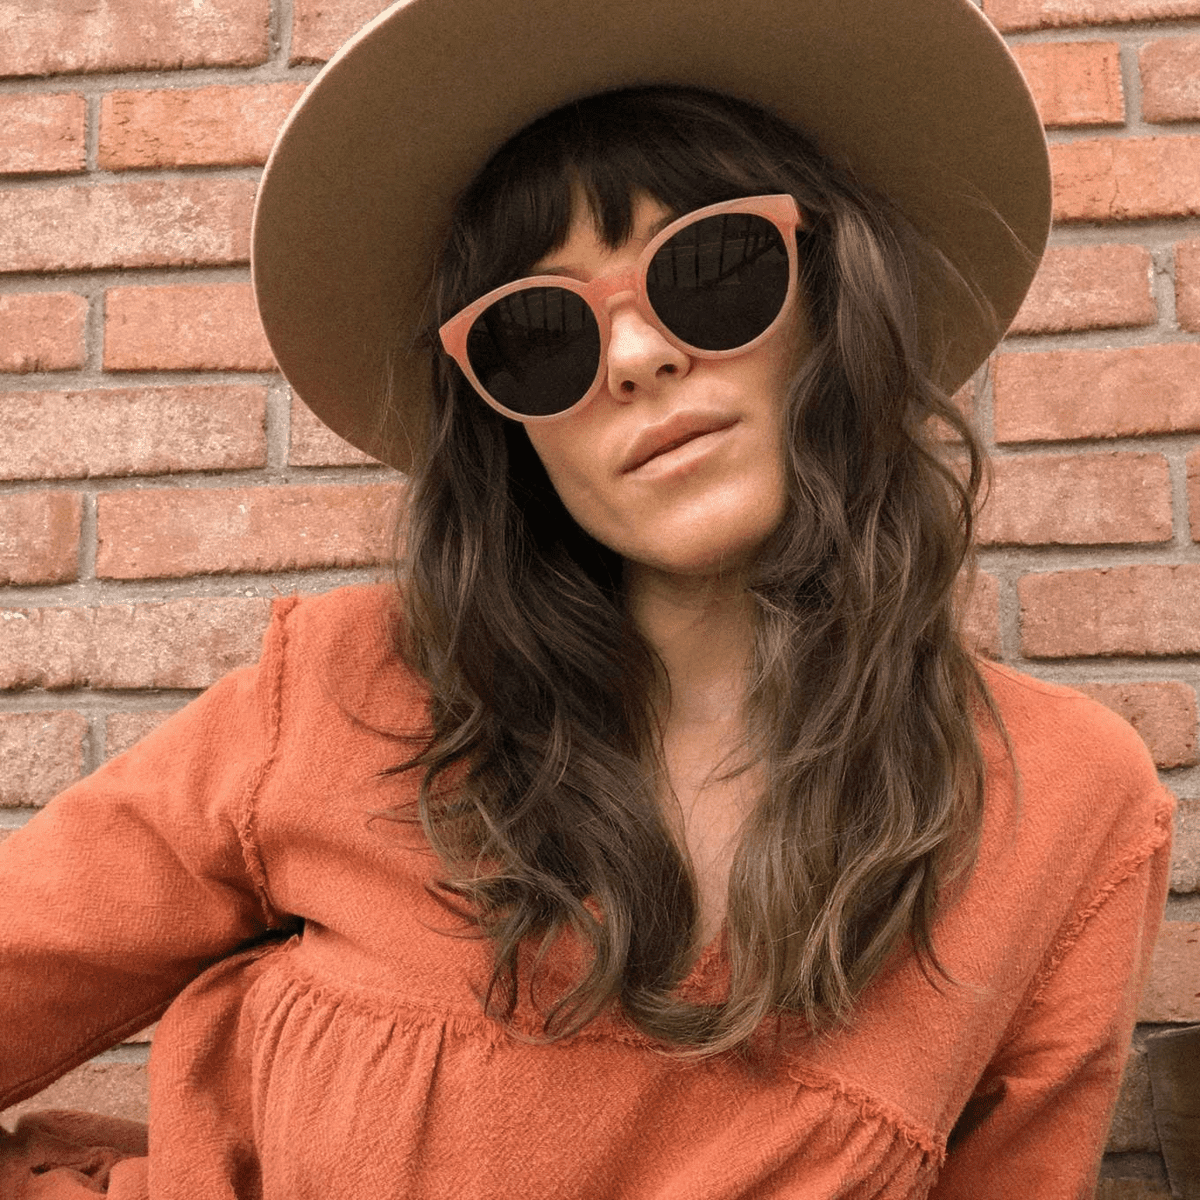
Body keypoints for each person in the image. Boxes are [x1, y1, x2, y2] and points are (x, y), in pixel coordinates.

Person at [0, 0, 1175, 1196]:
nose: (634, 358)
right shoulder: (344, 691)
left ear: (837, 297)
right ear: (510, 429)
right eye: (539, 335)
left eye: (711, 273)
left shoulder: (1065, 808)